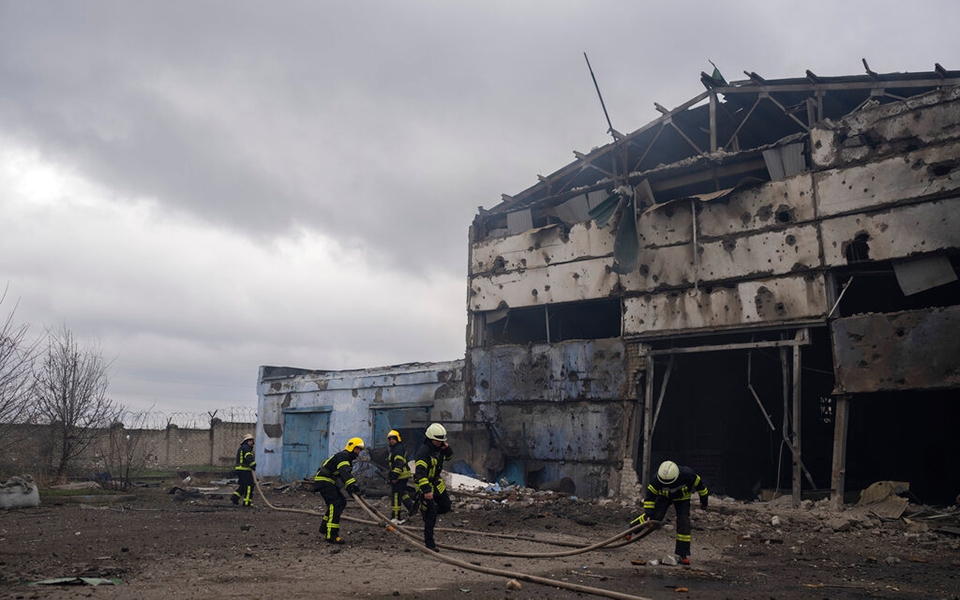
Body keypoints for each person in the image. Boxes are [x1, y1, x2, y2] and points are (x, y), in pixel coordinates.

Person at [630, 460, 709, 565]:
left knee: (684, 523)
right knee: (656, 516)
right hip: (665, 497)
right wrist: (649, 514)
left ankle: (683, 555)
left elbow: (701, 488)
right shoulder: (656, 480)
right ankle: (631, 528)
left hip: (682, 499)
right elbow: (649, 498)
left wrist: (704, 503)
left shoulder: (688, 474)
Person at [314, 437, 365, 544]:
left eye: (360, 450)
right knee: (335, 503)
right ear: (351, 447)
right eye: (357, 449)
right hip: (324, 481)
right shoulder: (344, 456)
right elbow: (345, 473)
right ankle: (331, 535)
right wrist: (352, 485)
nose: (358, 452)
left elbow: (343, 477)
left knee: (342, 502)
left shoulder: (346, 458)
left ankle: (324, 527)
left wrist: (351, 488)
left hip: (328, 481)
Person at [414, 423, 453, 552]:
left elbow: (450, 457)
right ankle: (429, 544)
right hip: (426, 484)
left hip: (437, 483)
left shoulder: (439, 449)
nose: (440, 442)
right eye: (438, 440)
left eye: (442, 440)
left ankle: (427, 511)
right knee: (431, 517)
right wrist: (426, 491)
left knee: (446, 506)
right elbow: (420, 473)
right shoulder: (423, 452)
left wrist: (446, 448)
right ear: (431, 439)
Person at [386, 430, 417, 523]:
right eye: (390, 439)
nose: (392, 441)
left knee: (396, 495)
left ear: (397, 439)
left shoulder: (398, 449)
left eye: (393, 439)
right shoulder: (396, 448)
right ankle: (411, 508)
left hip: (400, 476)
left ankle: (396, 517)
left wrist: (395, 477)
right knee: (402, 492)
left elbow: (399, 464)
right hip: (403, 475)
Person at [232, 433, 256, 507]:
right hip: (244, 470)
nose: (251, 442)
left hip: (240, 470)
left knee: (243, 485)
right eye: (249, 440)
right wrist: (253, 464)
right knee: (249, 485)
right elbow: (248, 457)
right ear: (246, 441)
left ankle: (235, 498)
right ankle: (247, 502)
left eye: (252, 440)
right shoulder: (246, 448)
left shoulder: (243, 447)